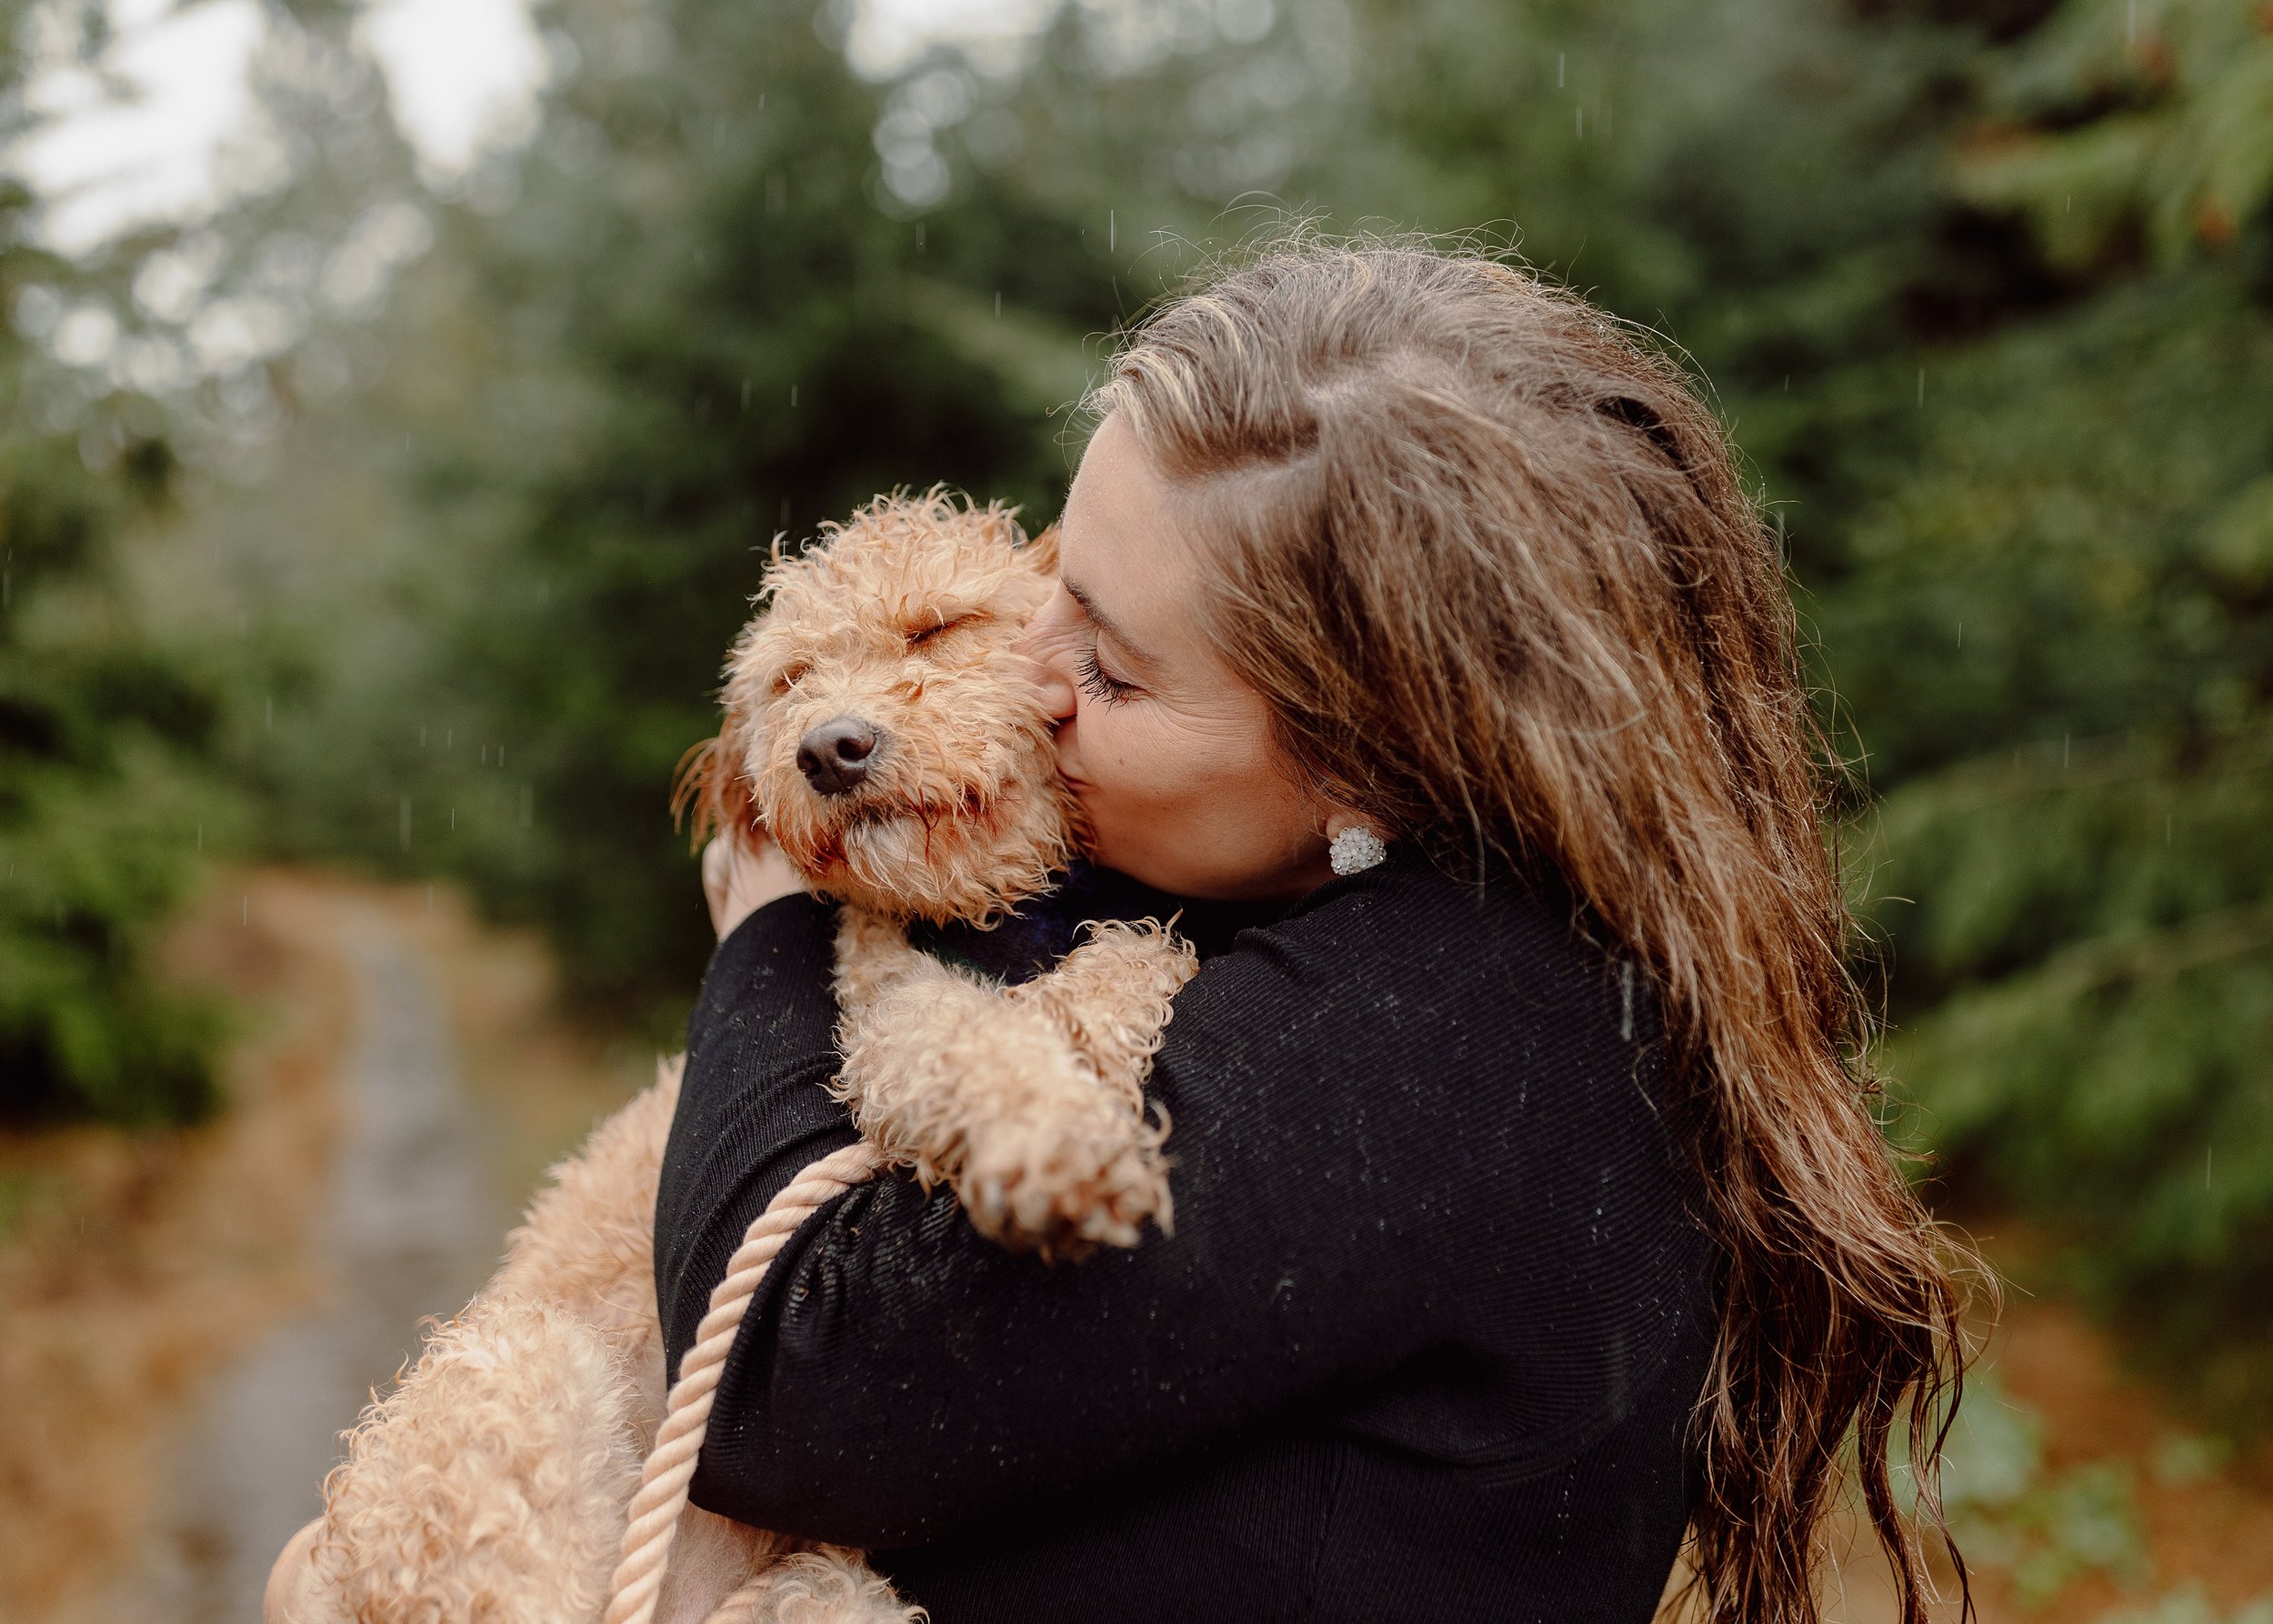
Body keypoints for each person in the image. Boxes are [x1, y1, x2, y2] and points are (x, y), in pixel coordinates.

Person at [665, 239, 1972, 1624]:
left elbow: (781, 1386)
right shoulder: (1467, 943)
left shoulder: (1441, 1043)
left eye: (1110, 662)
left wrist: (777, 932)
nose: (1029, 674)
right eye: (1051, 581)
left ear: (1373, 760)